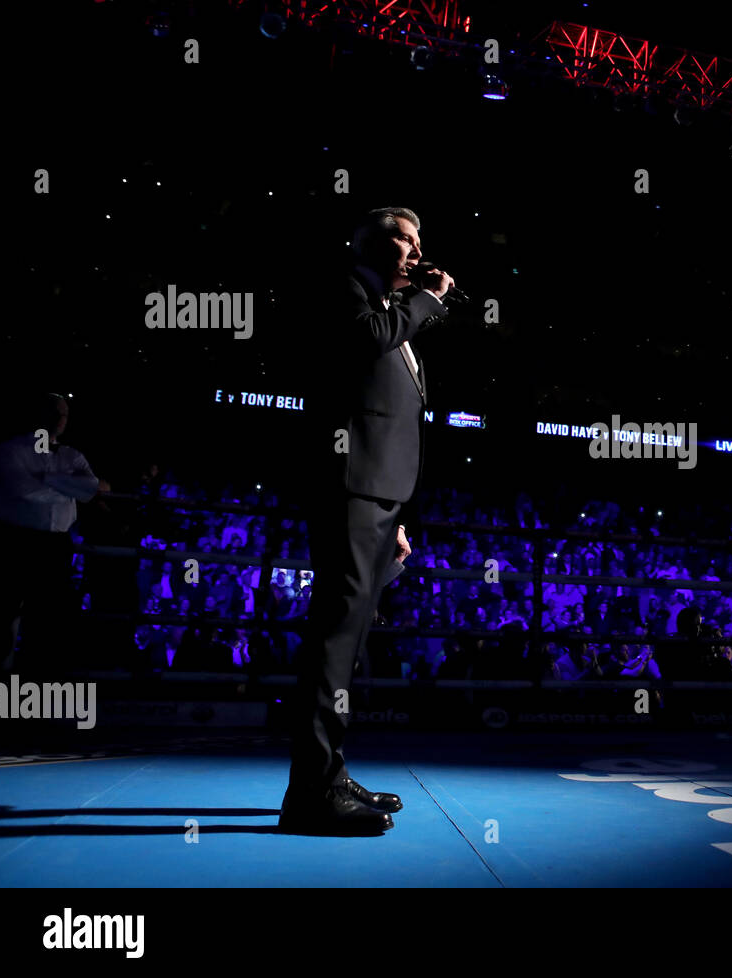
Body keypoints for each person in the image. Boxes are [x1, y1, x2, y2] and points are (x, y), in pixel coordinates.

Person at [280, 206, 456, 836]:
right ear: (367, 243)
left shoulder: (389, 306)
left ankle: (330, 772)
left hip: (378, 492)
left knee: (350, 639)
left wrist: (395, 510)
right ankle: (312, 794)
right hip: (350, 484)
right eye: (403, 238)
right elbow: (363, 341)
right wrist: (428, 300)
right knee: (335, 636)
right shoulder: (347, 290)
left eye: (419, 240)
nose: (416, 249)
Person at [0, 393, 109, 675]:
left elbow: (92, 488)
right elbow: (23, 491)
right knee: (4, 610)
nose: (60, 419)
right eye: (54, 412)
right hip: (15, 540)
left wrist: (48, 481)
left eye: (64, 414)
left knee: (48, 616)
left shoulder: (73, 455)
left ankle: (36, 678)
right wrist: (69, 488)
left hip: (56, 544)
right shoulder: (10, 450)